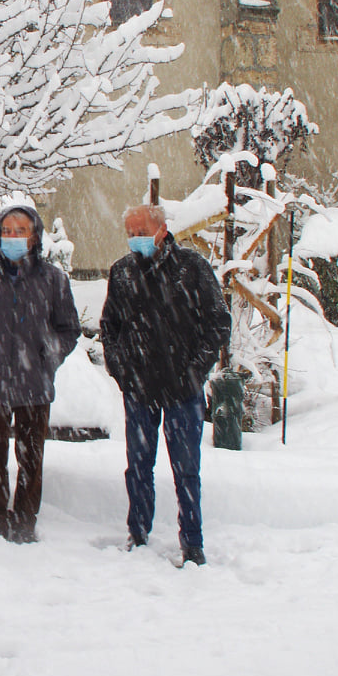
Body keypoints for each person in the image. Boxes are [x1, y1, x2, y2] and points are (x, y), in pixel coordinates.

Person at [99, 202, 228, 567]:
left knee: (186, 470)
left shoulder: (192, 268)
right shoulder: (122, 272)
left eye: (141, 232)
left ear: (162, 229)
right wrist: (122, 371)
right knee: (138, 466)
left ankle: (192, 542)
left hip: (182, 390)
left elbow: (217, 323)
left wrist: (195, 371)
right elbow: (110, 328)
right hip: (139, 389)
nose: (135, 239)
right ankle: (138, 533)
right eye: (130, 233)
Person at [0, 203, 80, 543]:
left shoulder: (53, 279)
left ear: (34, 236)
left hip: (35, 384)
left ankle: (24, 521)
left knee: (31, 457)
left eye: (19, 231)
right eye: (6, 231)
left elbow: (69, 329)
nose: (12, 237)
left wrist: (49, 356)